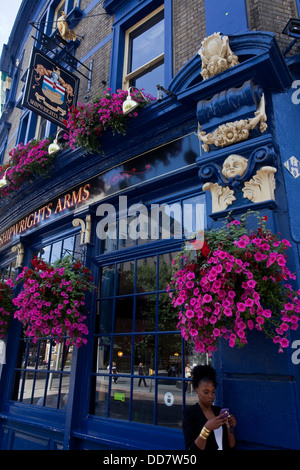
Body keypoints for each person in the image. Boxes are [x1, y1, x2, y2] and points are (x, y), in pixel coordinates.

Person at [182, 365, 236, 451]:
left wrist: (230, 428)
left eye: (213, 392)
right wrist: (206, 430)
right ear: (197, 391)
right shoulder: (190, 414)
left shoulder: (218, 412)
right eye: (206, 392)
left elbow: (231, 445)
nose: (211, 396)